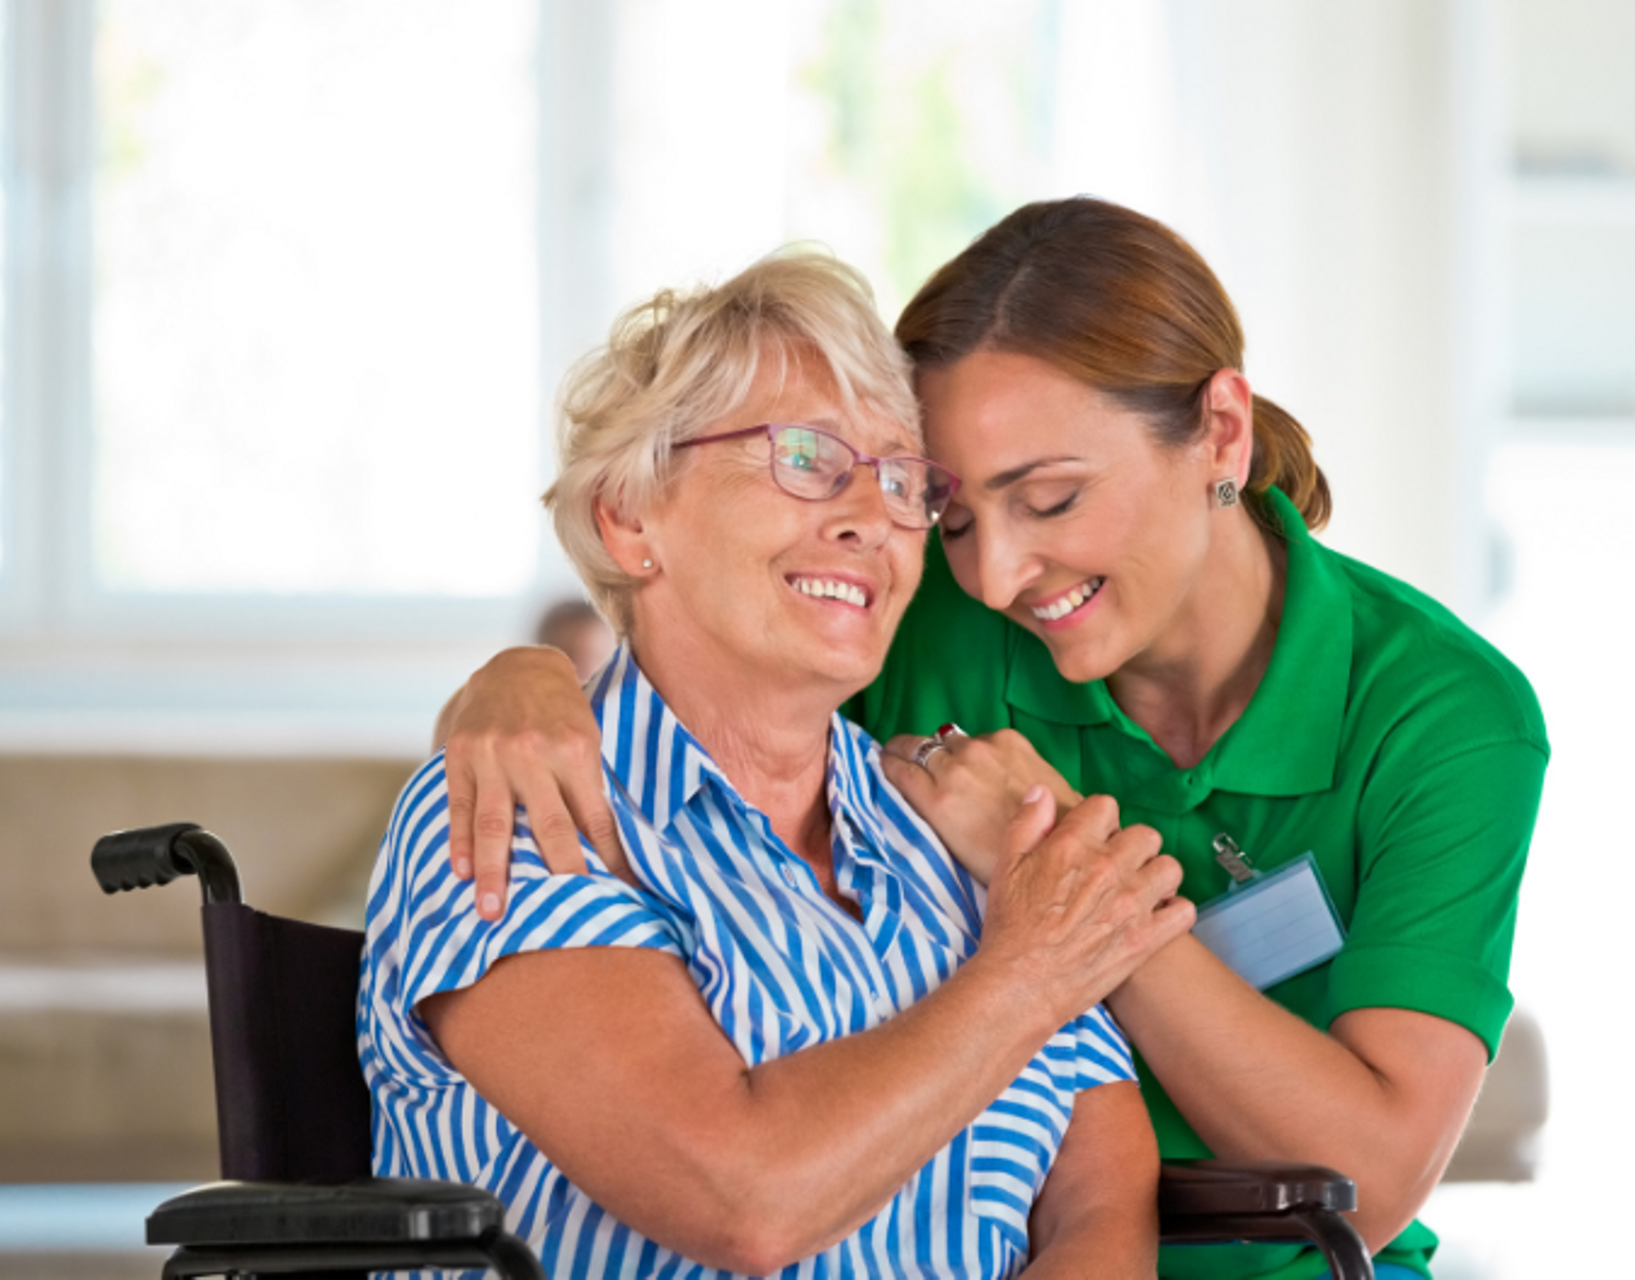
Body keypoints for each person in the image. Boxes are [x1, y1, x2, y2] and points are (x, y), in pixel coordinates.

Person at [440, 198, 1549, 1280]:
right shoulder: (929, 622)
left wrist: (1061, 874)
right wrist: (524, 675)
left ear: (1220, 428)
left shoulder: (1443, 712)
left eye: (1053, 499)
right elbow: (698, 673)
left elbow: (1373, 1172)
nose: (1000, 573)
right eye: (955, 517)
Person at [358, 249, 1195, 1280]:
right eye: (805, 457)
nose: (868, 516)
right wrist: (1023, 974)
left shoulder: (940, 816)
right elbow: (743, 1196)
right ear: (629, 516)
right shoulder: (524, 806)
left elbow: (1105, 1188)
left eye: (900, 479)